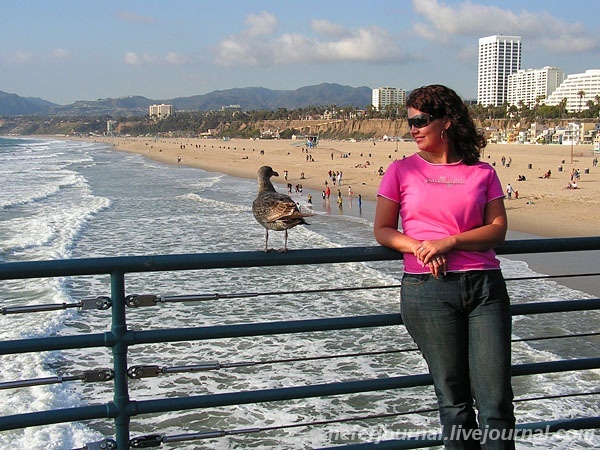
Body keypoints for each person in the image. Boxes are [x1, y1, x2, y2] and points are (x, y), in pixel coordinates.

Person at [373, 84, 515, 449]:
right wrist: (420, 246)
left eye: (421, 120)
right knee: (454, 402)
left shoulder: (481, 172)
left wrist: (449, 241)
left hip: (485, 289)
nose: (413, 128)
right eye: (410, 122)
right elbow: (383, 230)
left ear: (447, 122)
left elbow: (497, 230)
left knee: (496, 401)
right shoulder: (401, 170)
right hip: (428, 291)